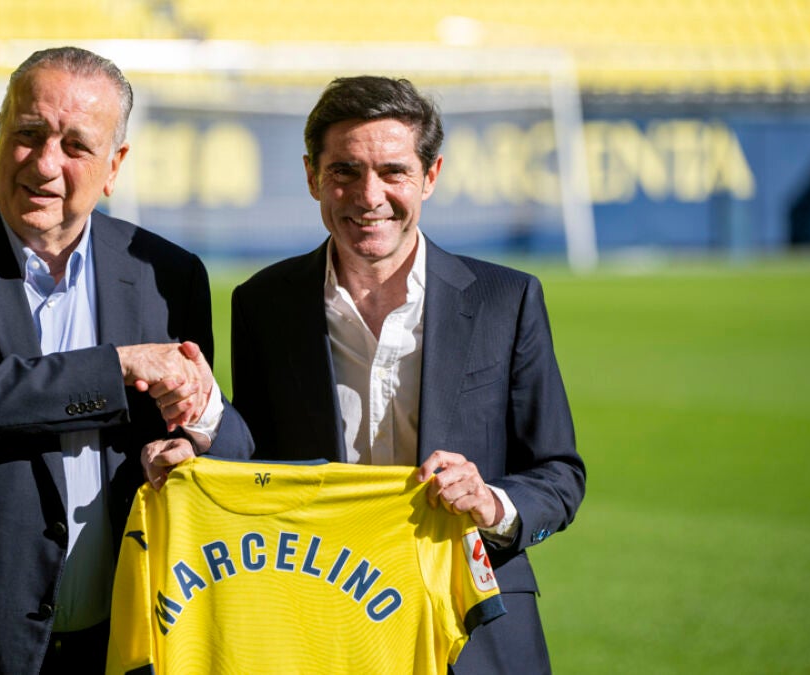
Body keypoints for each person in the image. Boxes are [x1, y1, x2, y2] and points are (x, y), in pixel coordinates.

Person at [0, 47, 251, 674]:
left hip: (125, 644)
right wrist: (116, 368)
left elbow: (221, 437)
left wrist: (201, 432)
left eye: (75, 146)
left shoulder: (168, 274)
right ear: (0, 131)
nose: (44, 163)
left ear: (114, 165)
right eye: (28, 134)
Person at [229, 76, 586, 673]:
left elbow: (558, 474)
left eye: (393, 171)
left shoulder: (506, 299)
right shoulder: (263, 303)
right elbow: (255, 464)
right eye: (344, 171)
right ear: (312, 176)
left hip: (474, 622)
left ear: (431, 175)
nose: (369, 195)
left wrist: (492, 503)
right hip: (319, 619)